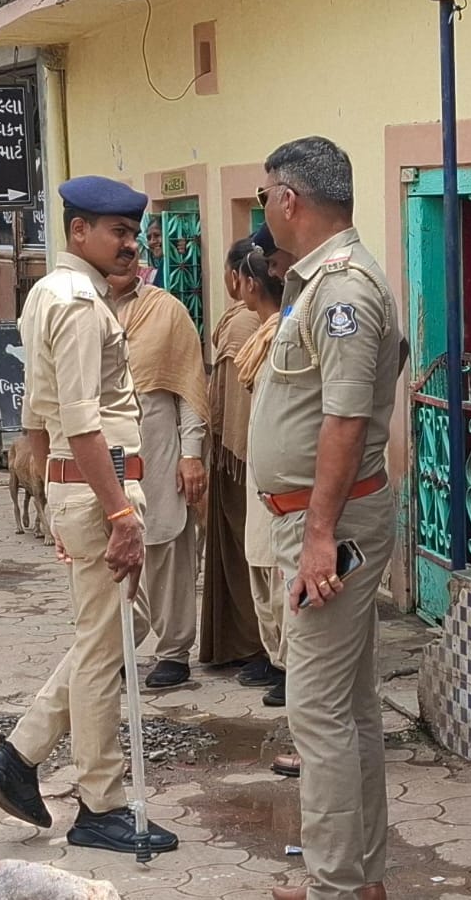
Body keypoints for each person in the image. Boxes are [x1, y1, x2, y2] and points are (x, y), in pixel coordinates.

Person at [0, 176, 179, 855]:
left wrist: (57, 493)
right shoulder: (82, 303)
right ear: (79, 231)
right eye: (117, 232)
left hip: (76, 484)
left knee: (116, 628)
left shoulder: (47, 292)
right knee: (103, 647)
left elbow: (34, 415)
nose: (129, 244)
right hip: (101, 483)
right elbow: (84, 424)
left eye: (133, 233)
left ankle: (20, 753)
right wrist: (117, 513)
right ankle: (101, 803)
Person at [249, 138, 400, 900]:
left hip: (331, 526)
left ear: (289, 200)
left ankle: (336, 886)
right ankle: (357, 879)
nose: (264, 208)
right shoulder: (321, 283)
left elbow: (344, 420)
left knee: (317, 712)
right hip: (324, 518)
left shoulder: (340, 290)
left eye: (265, 194)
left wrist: (317, 538)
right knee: (349, 706)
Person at [106, 268, 208, 689]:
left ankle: (174, 651)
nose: (124, 251)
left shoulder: (166, 310)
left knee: (167, 545)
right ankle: (115, 648)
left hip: (158, 445)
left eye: (130, 243)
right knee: (108, 553)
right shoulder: (84, 307)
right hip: (104, 448)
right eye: (117, 241)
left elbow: (188, 388)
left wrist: (192, 454)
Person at [202, 237, 271, 673]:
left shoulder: (248, 325)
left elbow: (239, 401)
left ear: (238, 278)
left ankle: (256, 646)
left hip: (243, 459)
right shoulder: (245, 320)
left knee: (252, 555)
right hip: (239, 453)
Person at [234, 248, 290, 711]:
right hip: (260, 470)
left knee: (278, 572)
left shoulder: (280, 337)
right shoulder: (262, 336)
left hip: (281, 480)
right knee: (261, 563)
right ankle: (276, 658)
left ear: (251, 284)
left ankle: (291, 666)